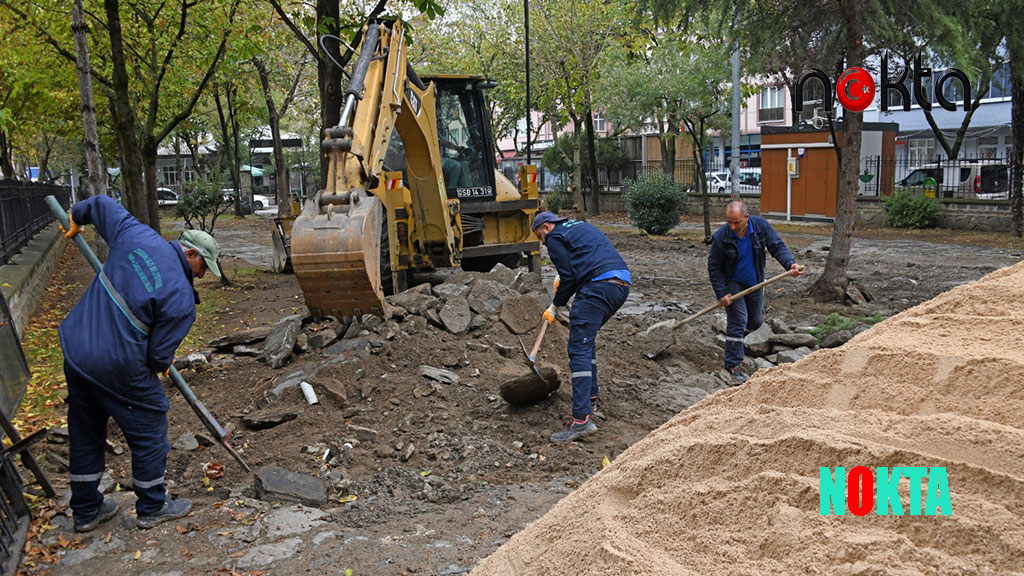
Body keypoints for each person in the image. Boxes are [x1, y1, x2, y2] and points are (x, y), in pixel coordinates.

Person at [58, 195, 222, 531]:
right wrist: (165, 360)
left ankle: (87, 511)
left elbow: (102, 204)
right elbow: (157, 358)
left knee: (86, 430)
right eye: (203, 267)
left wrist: (76, 218)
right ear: (190, 254)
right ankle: (152, 505)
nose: (202, 276)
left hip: (76, 350)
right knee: (150, 426)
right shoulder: (181, 299)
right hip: (117, 365)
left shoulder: (137, 235)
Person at [532, 212, 631, 442]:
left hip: (598, 287)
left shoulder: (555, 237)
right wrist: (565, 279)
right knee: (586, 340)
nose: (543, 242)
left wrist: (555, 306)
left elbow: (569, 275)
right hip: (621, 285)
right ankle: (590, 399)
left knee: (578, 348)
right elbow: (579, 264)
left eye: (540, 236)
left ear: (547, 227)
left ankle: (580, 420)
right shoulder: (578, 227)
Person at [707, 201, 804, 384]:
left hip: (755, 281)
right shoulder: (722, 236)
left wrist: (790, 264)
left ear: (746, 217)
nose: (732, 226)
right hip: (733, 283)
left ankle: (734, 342)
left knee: (756, 321)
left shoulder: (760, 227)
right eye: (729, 222)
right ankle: (733, 364)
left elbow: (777, 246)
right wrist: (722, 293)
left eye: (736, 222)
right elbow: (714, 266)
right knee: (739, 320)